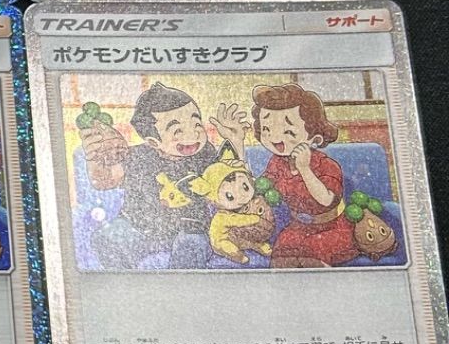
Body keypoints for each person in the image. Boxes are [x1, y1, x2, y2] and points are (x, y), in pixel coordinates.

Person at [94, 82, 248, 268]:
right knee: (107, 238)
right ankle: (126, 283)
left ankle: (179, 285)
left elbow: (233, 182)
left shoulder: (205, 154)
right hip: (140, 229)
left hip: (190, 230)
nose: (193, 135)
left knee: (192, 245)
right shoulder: (137, 156)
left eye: (196, 124)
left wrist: (236, 140)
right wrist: (94, 156)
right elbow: (104, 181)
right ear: (153, 142)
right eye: (178, 131)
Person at [252, 82, 353, 267]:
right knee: (281, 258)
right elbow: (261, 186)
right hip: (297, 228)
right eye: (267, 129)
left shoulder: (327, 165)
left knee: (311, 255)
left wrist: (305, 169)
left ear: (314, 138)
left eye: (288, 131)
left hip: (333, 228)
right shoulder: (277, 162)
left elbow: (327, 200)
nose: (275, 138)